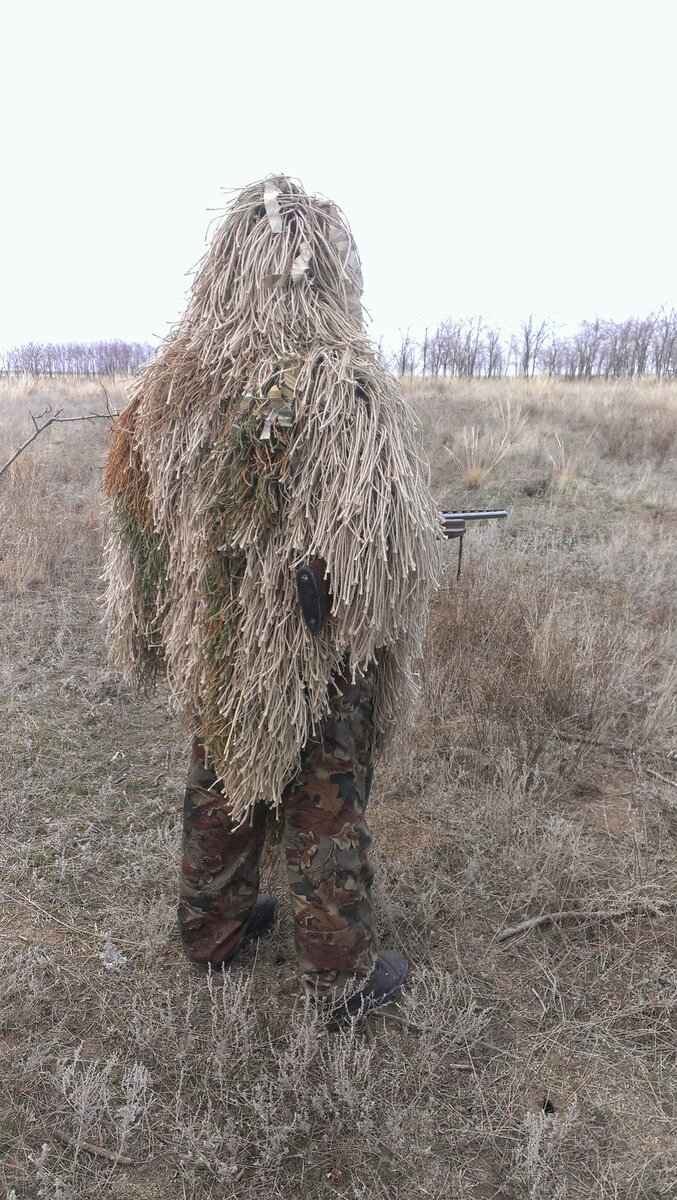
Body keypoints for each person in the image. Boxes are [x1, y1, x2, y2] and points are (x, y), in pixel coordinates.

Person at [102, 176, 441, 1023]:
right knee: (324, 789)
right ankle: (339, 973)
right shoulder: (346, 389)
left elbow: (136, 527)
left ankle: (211, 929)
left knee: (221, 773)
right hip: (319, 646)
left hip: (215, 641)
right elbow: (385, 549)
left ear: (222, 268)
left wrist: (157, 627)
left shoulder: (170, 388)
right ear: (327, 270)